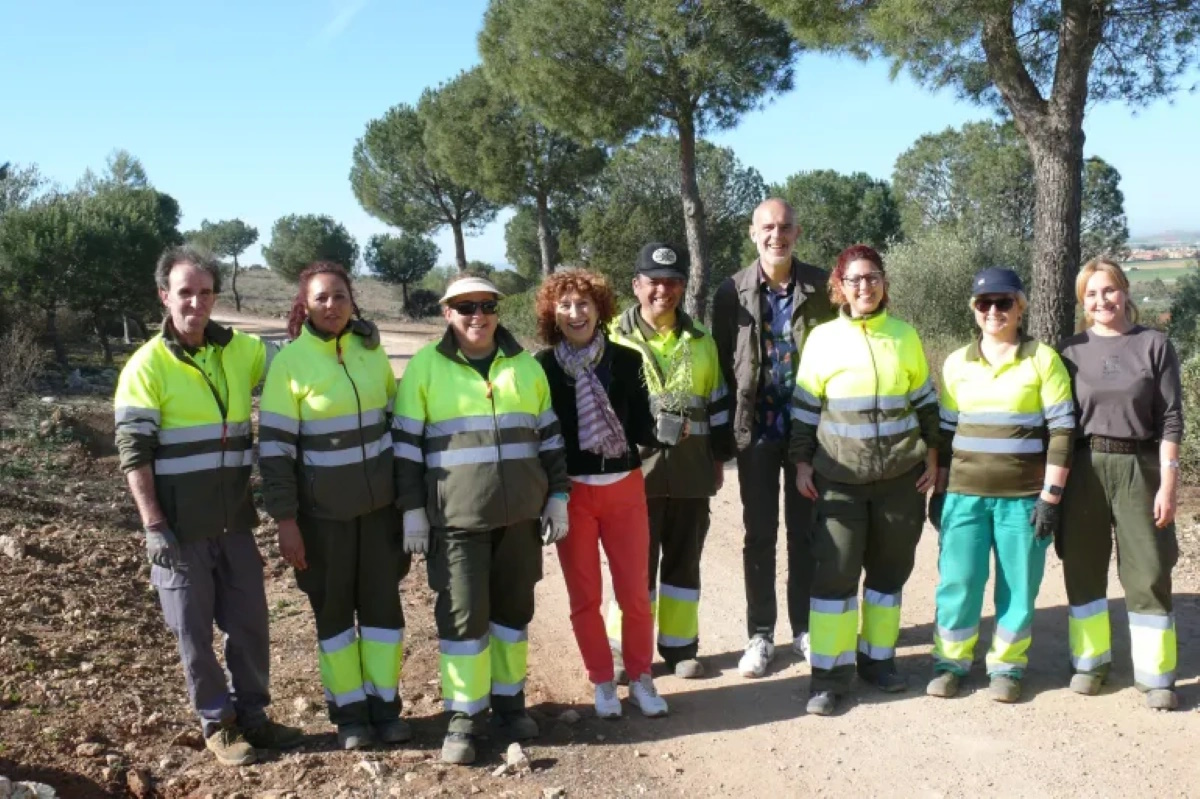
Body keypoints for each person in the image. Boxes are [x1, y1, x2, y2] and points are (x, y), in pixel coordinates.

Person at [113, 246, 301, 766]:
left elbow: (298, 361)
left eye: (204, 292)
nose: (195, 302)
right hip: (179, 531)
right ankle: (219, 725)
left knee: (250, 626)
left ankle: (256, 719)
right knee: (192, 635)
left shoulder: (239, 350)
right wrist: (154, 526)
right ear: (164, 296)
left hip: (234, 523)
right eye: (185, 292)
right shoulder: (146, 366)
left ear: (215, 296)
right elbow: (135, 454)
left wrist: (353, 333)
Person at [391, 274, 570, 765]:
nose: (477, 315)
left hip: (519, 521)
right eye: (465, 306)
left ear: (498, 311)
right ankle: (465, 718)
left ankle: (511, 706)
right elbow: (405, 449)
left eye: (487, 305)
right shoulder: (426, 368)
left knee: (513, 617)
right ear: (447, 313)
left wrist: (557, 496)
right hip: (456, 521)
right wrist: (411, 511)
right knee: (464, 618)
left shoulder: (525, 367)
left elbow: (549, 438)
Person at [258, 262, 410, 749]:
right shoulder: (290, 363)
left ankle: (386, 708)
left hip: (380, 514)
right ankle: (349, 716)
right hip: (323, 523)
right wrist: (286, 521)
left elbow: (396, 422)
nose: (332, 305)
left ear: (352, 301)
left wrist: (408, 503)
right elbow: (276, 452)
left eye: (340, 296)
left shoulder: (371, 351)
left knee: (385, 616)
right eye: (321, 298)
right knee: (335, 618)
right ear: (304, 305)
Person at [787, 245, 940, 715]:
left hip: (901, 477)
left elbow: (926, 402)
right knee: (835, 576)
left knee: (889, 575)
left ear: (883, 282)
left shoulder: (904, 335)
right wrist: (802, 463)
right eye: (854, 279)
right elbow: (805, 409)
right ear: (840, 286)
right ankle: (829, 678)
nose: (864, 287)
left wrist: (935, 456)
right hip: (838, 478)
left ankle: (878, 661)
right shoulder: (823, 340)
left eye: (871, 277)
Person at [927, 267, 1074, 703]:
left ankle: (1007, 668)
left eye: (1004, 302)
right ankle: (950, 663)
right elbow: (945, 433)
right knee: (959, 582)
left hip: (1024, 501)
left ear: (1020, 307)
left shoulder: (1042, 359)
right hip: (964, 497)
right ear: (974, 309)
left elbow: (1063, 431)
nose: (994, 310)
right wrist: (940, 488)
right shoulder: (956, 363)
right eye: (984, 303)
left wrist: (1051, 497)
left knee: (1018, 587)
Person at [533, 269, 670, 720]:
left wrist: (669, 427)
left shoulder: (626, 361)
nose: (576, 313)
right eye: (566, 305)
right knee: (585, 598)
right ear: (554, 313)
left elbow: (643, 430)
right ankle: (603, 681)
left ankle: (642, 676)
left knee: (634, 593)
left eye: (584, 304)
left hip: (625, 489)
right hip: (572, 495)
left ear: (600, 308)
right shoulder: (543, 368)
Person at [712, 197, 835, 679]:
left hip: (810, 434)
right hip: (756, 432)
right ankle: (760, 635)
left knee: (807, 535)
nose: (776, 235)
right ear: (752, 232)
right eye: (767, 227)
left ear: (797, 233)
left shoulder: (824, 286)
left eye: (784, 227)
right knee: (759, 535)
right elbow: (723, 365)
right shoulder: (730, 291)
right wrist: (723, 442)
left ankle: (804, 629)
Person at [1057, 258, 1183, 711]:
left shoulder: (1154, 344)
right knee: (1083, 567)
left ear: (1125, 292)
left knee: (1148, 569)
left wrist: (1169, 484)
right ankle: (1090, 664)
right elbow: (1058, 422)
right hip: (1085, 466)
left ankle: (1155, 676)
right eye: (1091, 294)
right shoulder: (1069, 350)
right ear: (1082, 302)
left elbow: (1171, 420)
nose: (1101, 300)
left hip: (1140, 466)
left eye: (1108, 290)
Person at [608, 242, 735, 679]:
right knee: (633, 568)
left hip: (689, 474)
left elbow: (718, 407)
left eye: (674, 282)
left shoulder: (701, 340)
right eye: (655, 282)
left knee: (683, 566)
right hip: (630, 475)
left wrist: (718, 459)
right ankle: (626, 652)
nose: (664, 290)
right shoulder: (610, 337)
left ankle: (680, 649)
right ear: (636, 285)